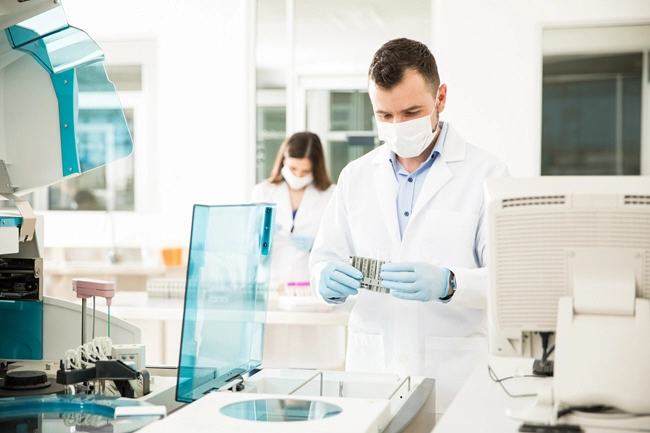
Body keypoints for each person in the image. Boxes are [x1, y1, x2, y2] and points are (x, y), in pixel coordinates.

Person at [309, 38, 510, 418]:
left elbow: (510, 282)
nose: (398, 126)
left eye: (411, 111)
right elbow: (325, 256)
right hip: (372, 376)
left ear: (441, 98)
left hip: (453, 377)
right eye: (385, 116)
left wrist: (451, 284)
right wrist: (324, 278)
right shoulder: (355, 176)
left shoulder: (487, 174)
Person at [252, 131, 335, 287]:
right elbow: (249, 246)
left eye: (305, 171)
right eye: (293, 168)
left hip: (309, 286)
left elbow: (339, 246)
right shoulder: (263, 191)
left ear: (316, 168)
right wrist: (259, 237)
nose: (297, 175)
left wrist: (316, 245)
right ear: (283, 161)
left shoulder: (331, 195)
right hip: (271, 284)